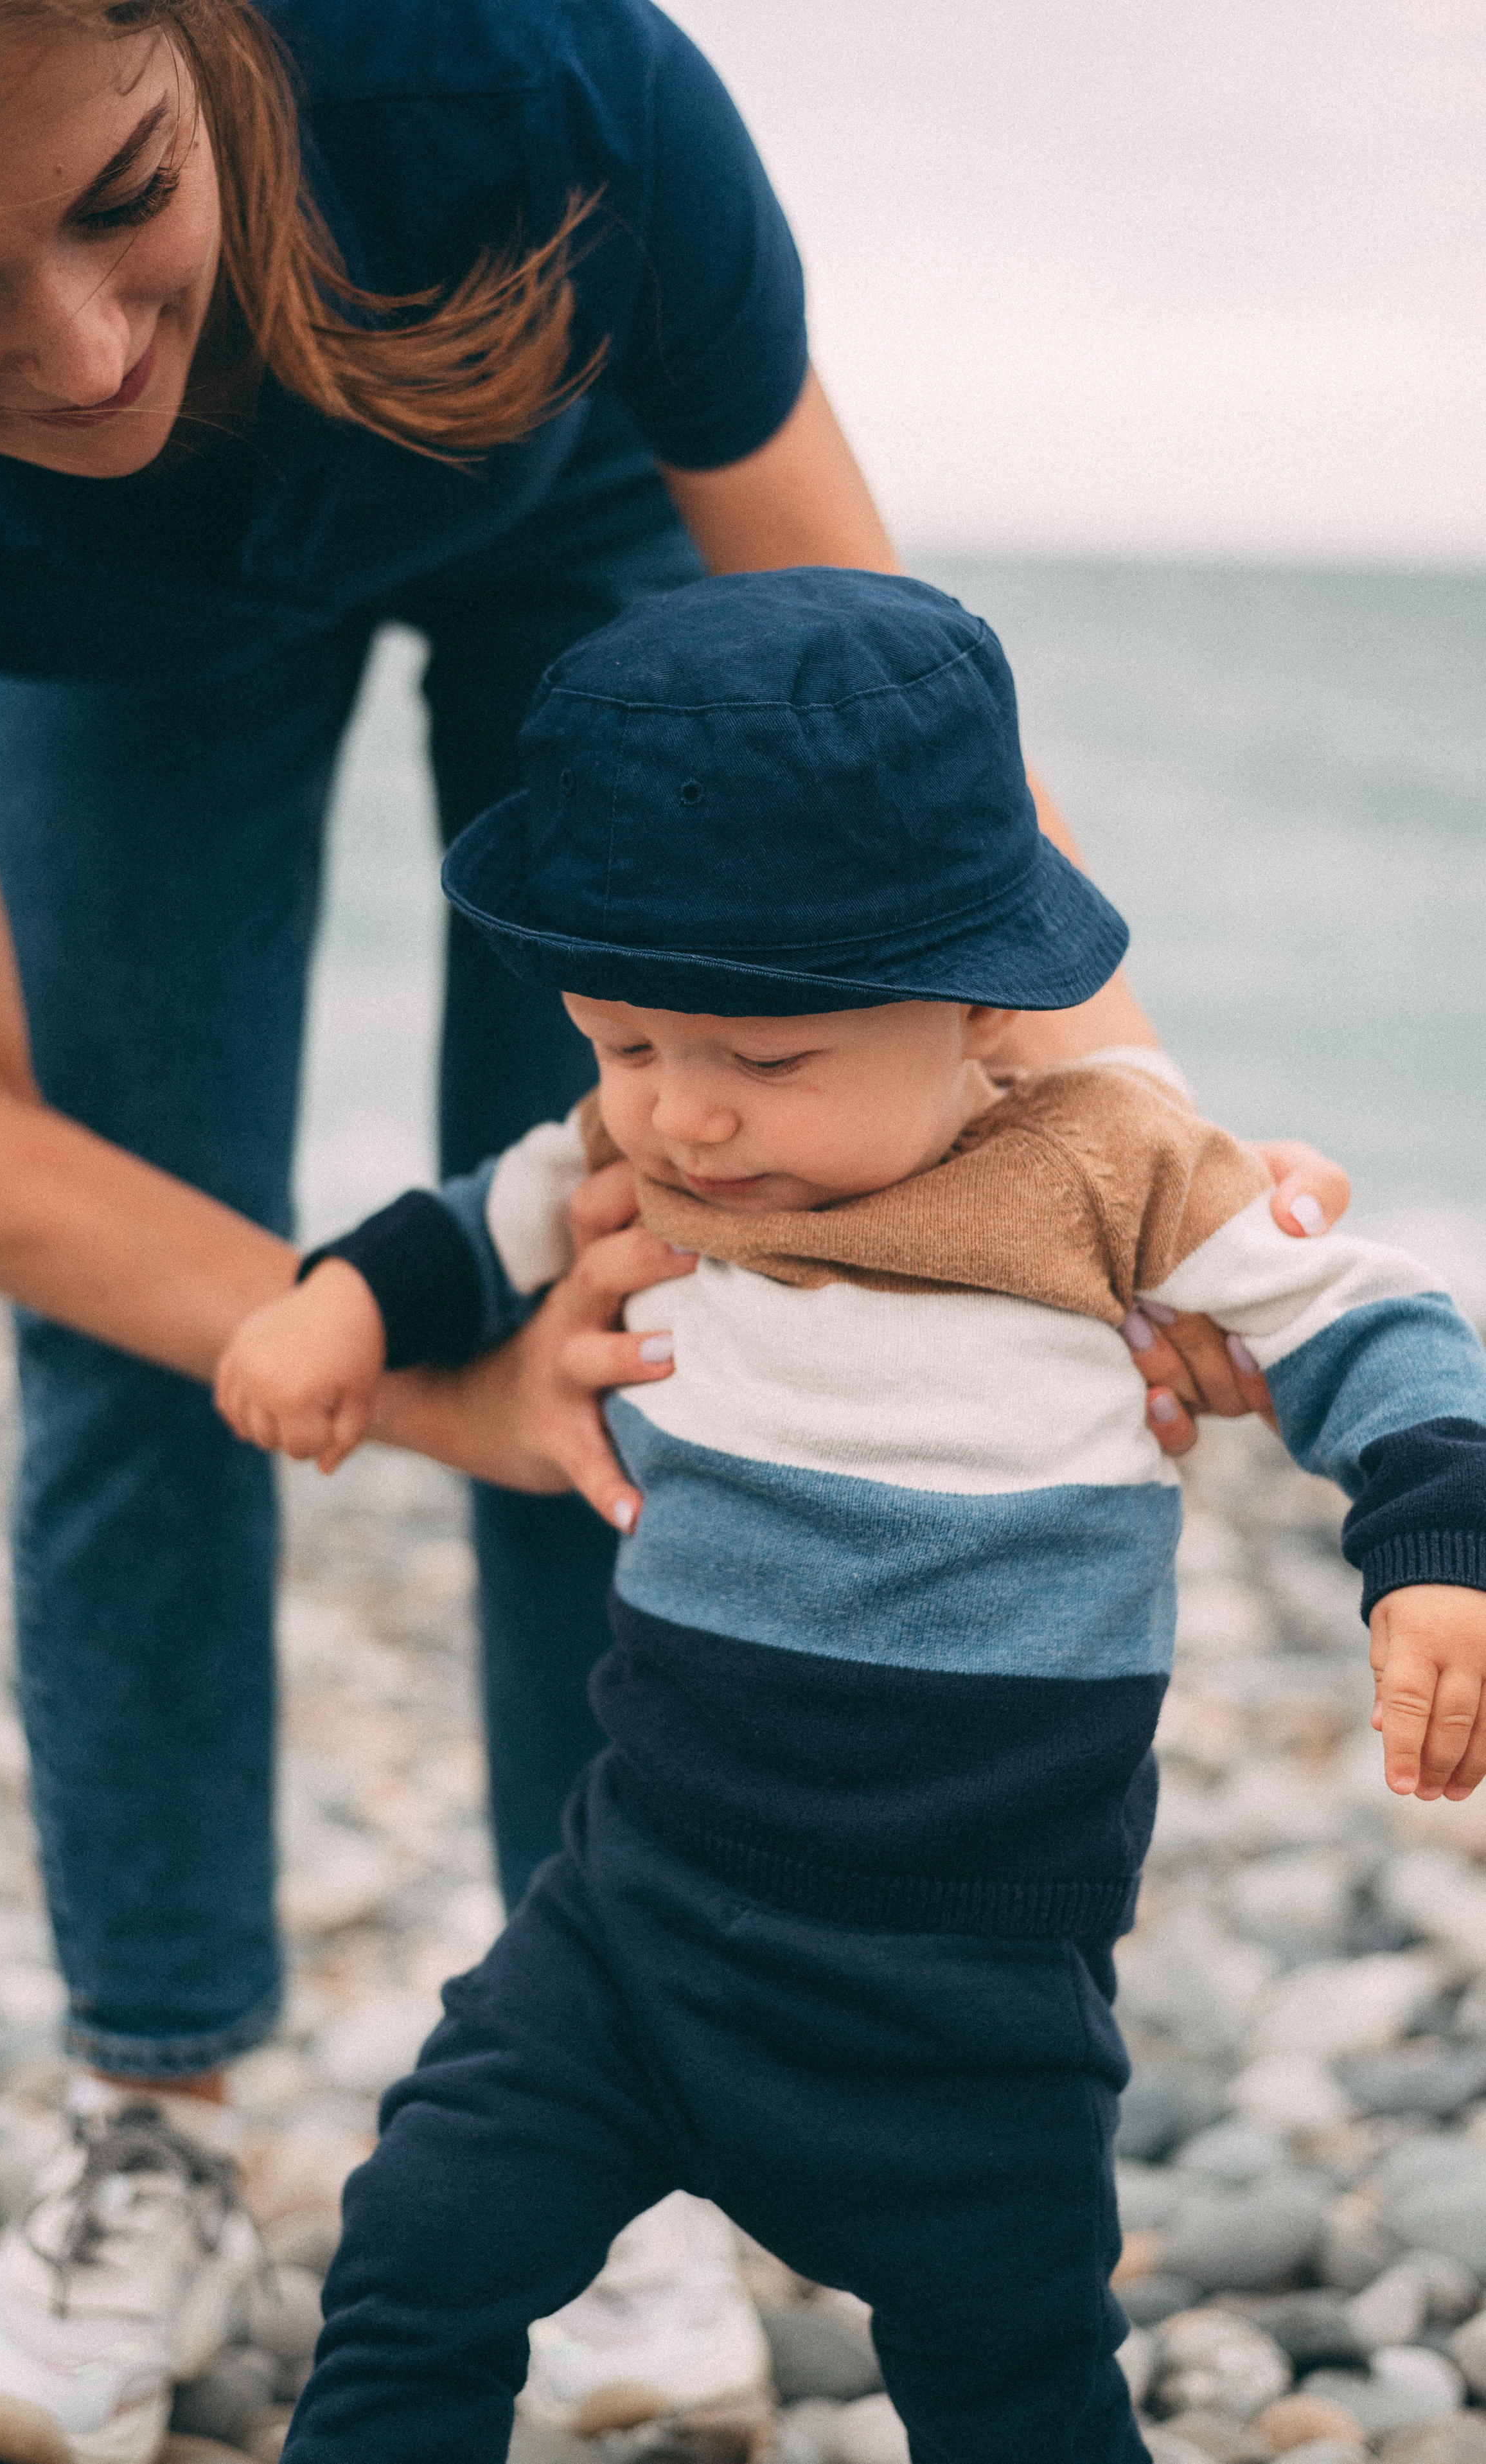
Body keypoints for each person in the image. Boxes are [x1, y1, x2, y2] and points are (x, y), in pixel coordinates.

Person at [0, 0, 1348, 2440]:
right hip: (108, 639)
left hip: (555, 505)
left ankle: (647, 2078)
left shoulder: (531, 90)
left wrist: (1142, 1164)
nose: (91, 348)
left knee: (666, 1272)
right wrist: (431, 1378)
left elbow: (932, 807)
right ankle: (152, 2111)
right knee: (149, 1318)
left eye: (125, 197)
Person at [202, 570, 1486, 2464]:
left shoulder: (1112, 1162)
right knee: (419, 2241)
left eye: (768, 1059)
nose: (686, 1118)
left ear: (977, 1001)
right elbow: (489, 1210)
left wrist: (1435, 1552)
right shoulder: (647, 1149)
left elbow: (1366, 1318)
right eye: (629, 1041)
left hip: (963, 1979)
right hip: (634, 1913)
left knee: (1015, 2376)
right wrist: (339, 1302)